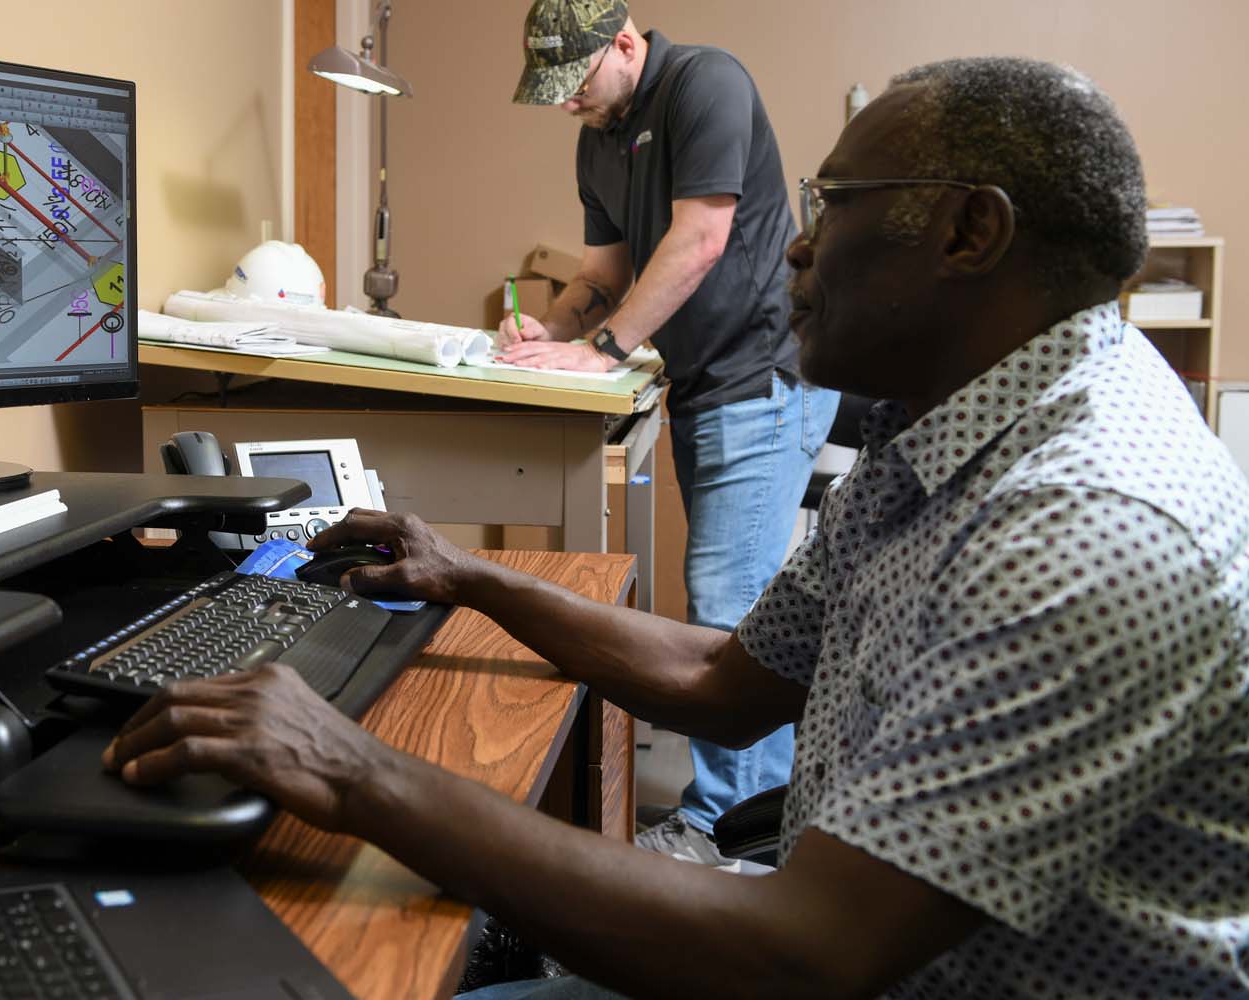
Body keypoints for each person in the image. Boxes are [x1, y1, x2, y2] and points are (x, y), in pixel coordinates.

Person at [104, 57, 1249, 998]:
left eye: (828, 206)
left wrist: (350, 767)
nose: (795, 248)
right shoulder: (940, 432)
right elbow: (725, 675)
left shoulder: (1088, 527)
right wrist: (468, 576)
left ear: (967, 232)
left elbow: (808, 954)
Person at [498, 0, 840, 865]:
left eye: (575, 85)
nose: (568, 105)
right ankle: (749, 821)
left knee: (732, 615)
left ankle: (737, 840)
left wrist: (603, 349)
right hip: (703, 382)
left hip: (761, 377)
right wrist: (557, 329)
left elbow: (701, 238)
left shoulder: (706, 83)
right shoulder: (598, 136)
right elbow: (603, 272)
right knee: (731, 601)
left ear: (623, 43)